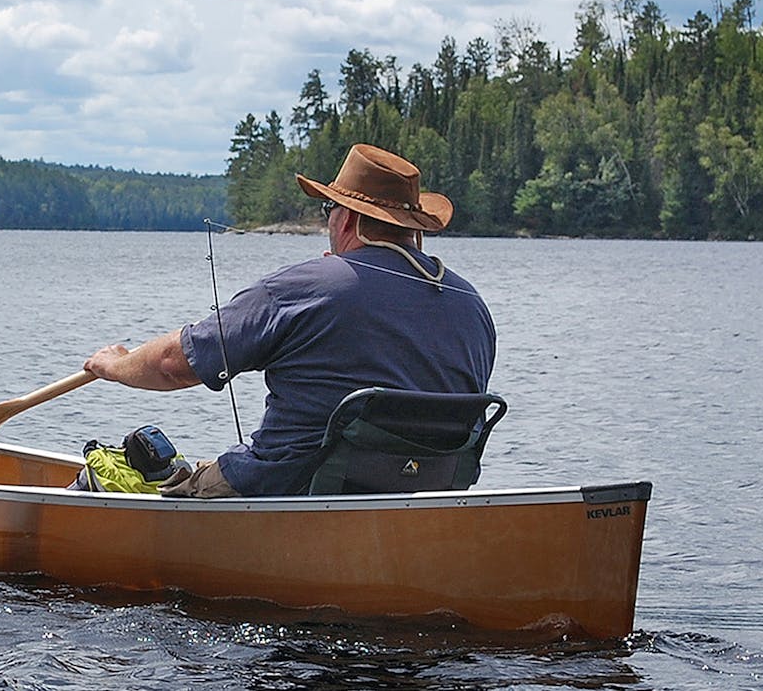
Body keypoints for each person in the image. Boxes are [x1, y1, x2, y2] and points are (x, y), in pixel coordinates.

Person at [84, 143, 495, 498]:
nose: (328, 220)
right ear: (413, 230)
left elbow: (174, 365)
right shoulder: (473, 305)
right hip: (423, 502)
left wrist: (116, 365)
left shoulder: (307, 287)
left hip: (291, 491)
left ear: (347, 218)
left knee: (130, 481)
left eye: (328, 208)